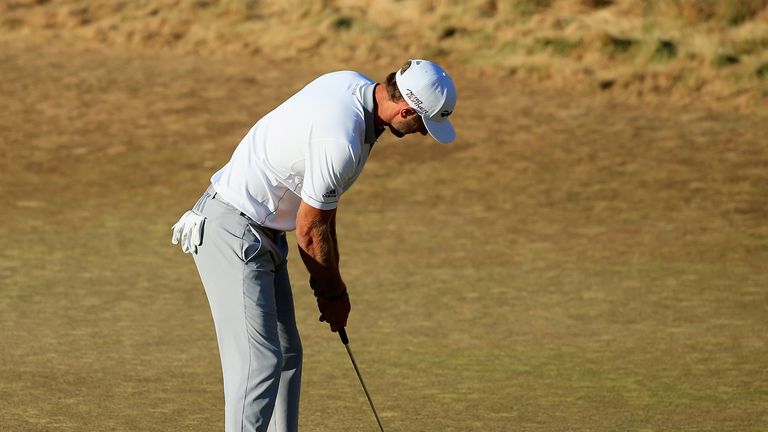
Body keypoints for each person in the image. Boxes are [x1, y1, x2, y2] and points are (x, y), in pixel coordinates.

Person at [170, 59, 457, 432]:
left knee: (287, 356)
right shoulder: (342, 139)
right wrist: (333, 293)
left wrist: (330, 290)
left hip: (263, 233)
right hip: (232, 229)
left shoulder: (349, 82)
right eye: (422, 124)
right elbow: (310, 229)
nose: (421, 133)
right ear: (405, 110)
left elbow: (323, 216)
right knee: (259, 362)